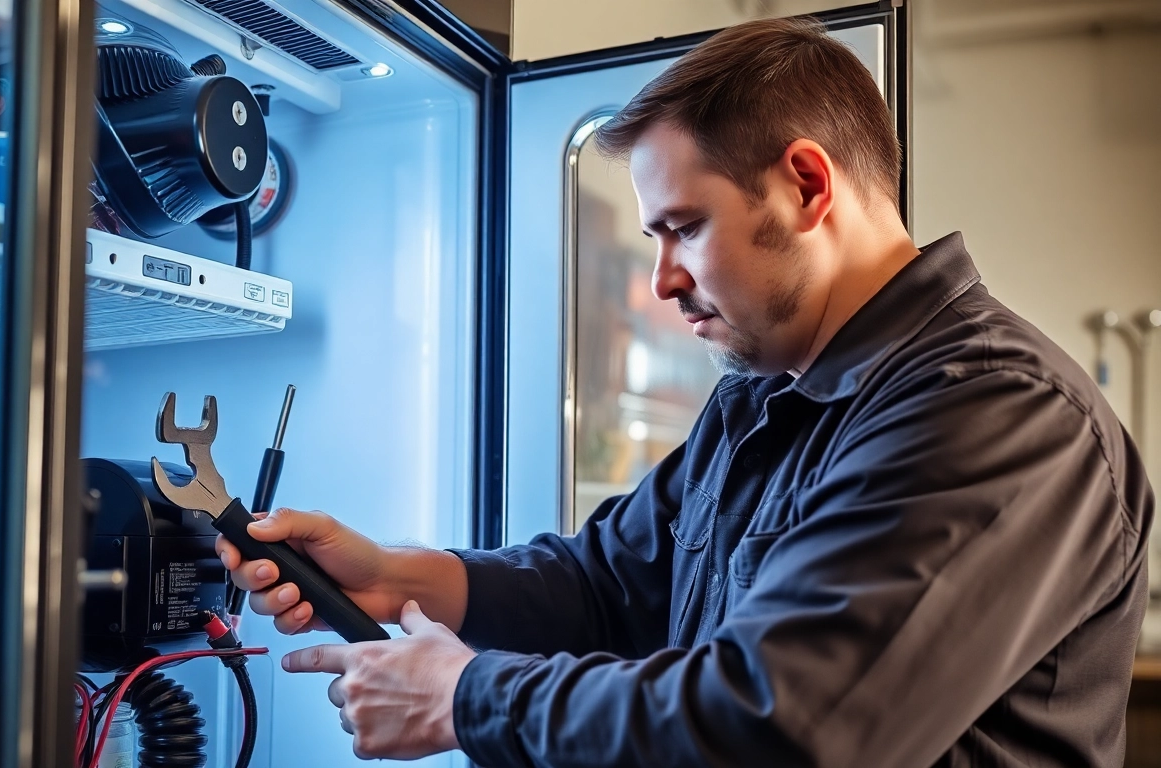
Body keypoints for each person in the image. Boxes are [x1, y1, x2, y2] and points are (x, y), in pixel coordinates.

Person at [218, 16, 1154, 767]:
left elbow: (789, 726)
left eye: (684, 227)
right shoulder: (762, 397)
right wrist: (397, 577)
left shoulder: (998, 413)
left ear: (805, 185)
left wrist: (463, 698)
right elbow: (607, 585)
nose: (663, 279)